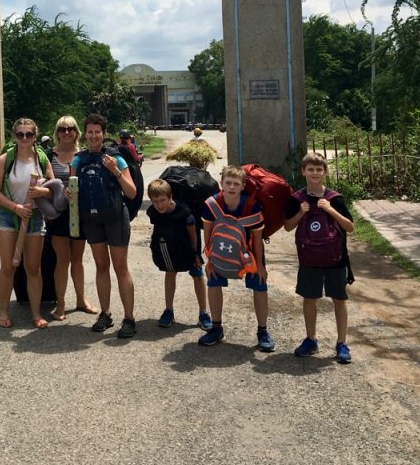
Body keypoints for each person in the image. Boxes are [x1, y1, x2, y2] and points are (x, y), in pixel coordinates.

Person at [70, 113, 139, 339]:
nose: (93, 135)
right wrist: (67, 192)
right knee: (101, 266)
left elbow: (131, 192)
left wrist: (115, 171)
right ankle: (106, 314)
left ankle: (129, 318)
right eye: (89, 131)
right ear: (85, 133)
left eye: (97, 132)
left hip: (116, 218)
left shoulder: (115, 158)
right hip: (92, 220)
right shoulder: (78, 160)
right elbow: (71, 190)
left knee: (120, 268)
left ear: (103, 133)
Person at [283, 152, 356, 363]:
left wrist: (330, 209)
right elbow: (288, 227)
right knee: (309, 299)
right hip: (309, 259)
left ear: (325, 172)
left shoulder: (334, 198)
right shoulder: (296, 199)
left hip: (336, 259)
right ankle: (311, 339)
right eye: (310, 169)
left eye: (318, 169)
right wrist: (300, 213)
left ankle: (342, 343)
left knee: (339, 300)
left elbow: (349, 227)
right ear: (303, 171)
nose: (314, 173)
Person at [0, 118, 55, 329]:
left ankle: (36, 314)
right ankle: (4, 311)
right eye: (20, 134)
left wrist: (41, 191)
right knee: (8, 266)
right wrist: (15, 207)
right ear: (14, 136)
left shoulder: (42, 159)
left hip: (34, 217)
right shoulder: (5, 159)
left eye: (29, 134)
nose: (25, 138)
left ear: (35, 136)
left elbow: (54, 188)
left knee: (33, 267)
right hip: (8, 215)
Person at [199, 165, 274, 350]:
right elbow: (207, 235)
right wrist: (209, 260)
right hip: (219, 250)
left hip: (249, 252)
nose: (231, 187)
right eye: (228, 183)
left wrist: (260, 266)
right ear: (221, 184)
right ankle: (216, 328)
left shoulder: (252, 206)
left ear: (243, 186)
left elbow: (257, 238)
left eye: (236, 183)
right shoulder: (212, 204)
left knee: (260, 285)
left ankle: (262, 331)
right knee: (214, 282)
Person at [45, 115, 97, 320]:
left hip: (79, 213)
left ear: (76, 132)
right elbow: (45, 185)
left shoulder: (83, 155)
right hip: (58, 214)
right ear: (57, 132)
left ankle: (81, 300)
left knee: (77, 259)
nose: (67, 133)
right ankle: (60, 304)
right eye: (63, 129)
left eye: (71, 129)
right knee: (62, 260)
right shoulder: (49, 155)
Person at [146, 179, 211, 331]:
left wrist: (195, 254)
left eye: (162, 200)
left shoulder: (184, 212)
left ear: (170, 198)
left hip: (189, 246)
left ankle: (203, 313)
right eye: (155, 201)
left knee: (197, 275)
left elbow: (193, 233)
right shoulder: (153, 212)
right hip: (171, 246)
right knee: (170, 273)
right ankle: (169, 310)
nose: (159, 205)